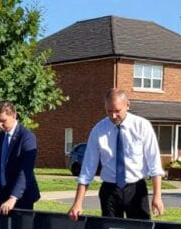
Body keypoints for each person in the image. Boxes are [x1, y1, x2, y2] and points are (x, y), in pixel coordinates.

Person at [67, 88, 164, 221]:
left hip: (135, 189)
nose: (113, 116)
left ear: (127, 105)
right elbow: (87, 169)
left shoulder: (142, 126)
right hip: (110, 190)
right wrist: (78, 203)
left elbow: (154, 164)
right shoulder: (98, 130)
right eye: (109, 111)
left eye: (117, 111)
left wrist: (157, 196)